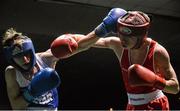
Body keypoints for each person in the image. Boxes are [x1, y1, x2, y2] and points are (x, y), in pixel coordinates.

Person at [50, 8, 179, 110]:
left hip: (155, 105)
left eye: (127, 37)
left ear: (140, 37)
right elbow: (88, 43)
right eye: (120, 35)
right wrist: (71, 37)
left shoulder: (157, 52)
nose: (122, 40)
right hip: (132, 105)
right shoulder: (119, 45)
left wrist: (155, 80)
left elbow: (175, 88)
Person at [2, 28, 61, 110]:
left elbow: (81, 44)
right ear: (11, 59)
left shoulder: (46, 59)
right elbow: (16, 107)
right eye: (19, 56)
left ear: (32, 51)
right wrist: (31, 92)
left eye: (26, 53)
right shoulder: (11, 73)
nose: (25, 60)